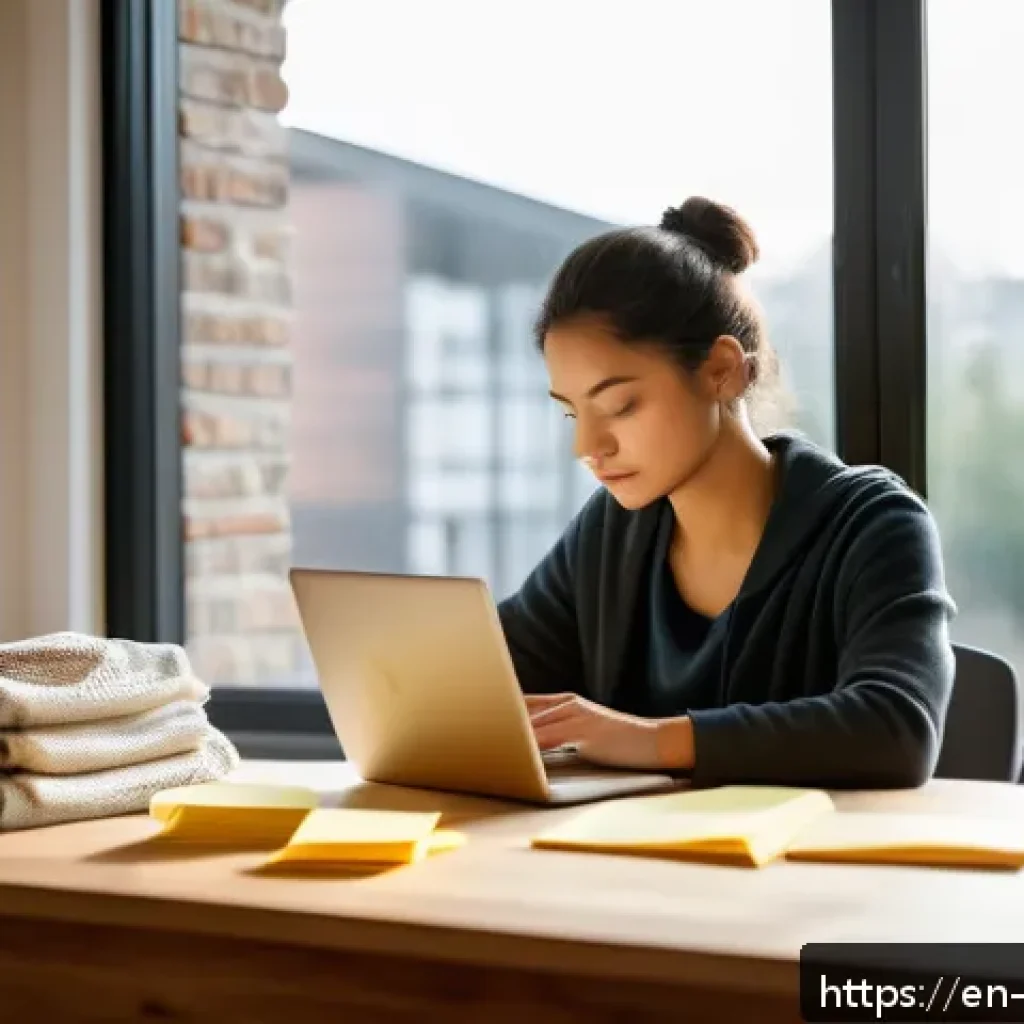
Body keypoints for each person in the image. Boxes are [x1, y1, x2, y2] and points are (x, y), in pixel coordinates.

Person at [496, 196, 956, 790]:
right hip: (635, 869)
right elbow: (492, 678)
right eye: (570, 414)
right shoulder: (611, 533)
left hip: (813, 871)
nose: (588, 445)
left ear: (721, 369)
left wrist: (644, 739)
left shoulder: (873, 524)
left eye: (619, 405)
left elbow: (898, 729)